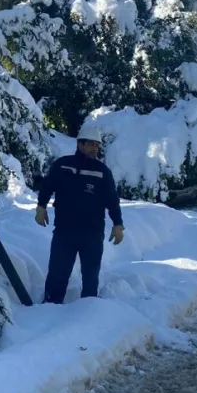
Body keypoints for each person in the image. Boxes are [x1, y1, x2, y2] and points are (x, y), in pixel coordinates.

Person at [35, 124, 124, 303]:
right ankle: (49, 308)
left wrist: (118, 224)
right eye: (91, 144)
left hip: (92, 233)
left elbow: (112, 200)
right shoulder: (62, 165)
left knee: (90, 277)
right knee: (57, 274)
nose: (95, 148)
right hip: (64, 231)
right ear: (80, 144)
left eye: (97, 145)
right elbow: (47, 186)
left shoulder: (102, 172)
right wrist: (41, 206)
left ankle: (88, 311)